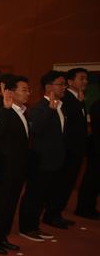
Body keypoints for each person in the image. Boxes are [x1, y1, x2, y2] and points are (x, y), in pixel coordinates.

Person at [0, 76, 30, 253]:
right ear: (10, 92)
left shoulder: (23, 112)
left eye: (28, 90)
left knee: (10, 205)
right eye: (23, 89)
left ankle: (2, 237)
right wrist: (6, 110)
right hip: (4, 170)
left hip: (17, 170)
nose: (27, 93)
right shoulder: (3, 111)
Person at [18, 71, 66, 242]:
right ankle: (26, 227)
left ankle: (34, 225)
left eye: (64, 84)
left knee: (44, 196)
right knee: (34, 195)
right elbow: (35, 129)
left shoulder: (59, 107)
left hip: (54, 161)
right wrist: (50, 112)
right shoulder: (40, 108)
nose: (63, 88)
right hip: (40, 161)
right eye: (60, 84)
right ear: (48, 87)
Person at [43, 67, 88, 228]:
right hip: (67, 150)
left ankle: (56, 213)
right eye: (81, 78)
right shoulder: (67, 99)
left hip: (73, 149)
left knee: (66, 184)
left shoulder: (78, 98)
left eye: (86, 79)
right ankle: (52, 214)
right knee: (60, 184)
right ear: (70, 82)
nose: (85, 82)